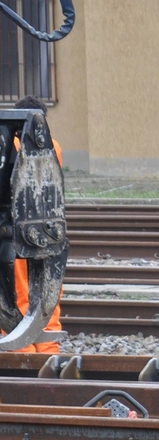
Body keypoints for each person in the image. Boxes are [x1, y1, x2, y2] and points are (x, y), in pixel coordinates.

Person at [6, 96, 63, 354]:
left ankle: (22, 353)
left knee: (17, 295)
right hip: (49, 233)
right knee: (47, 295)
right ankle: (48, 352)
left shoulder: (9, 146)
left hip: (14, 235)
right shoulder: (53, 147)